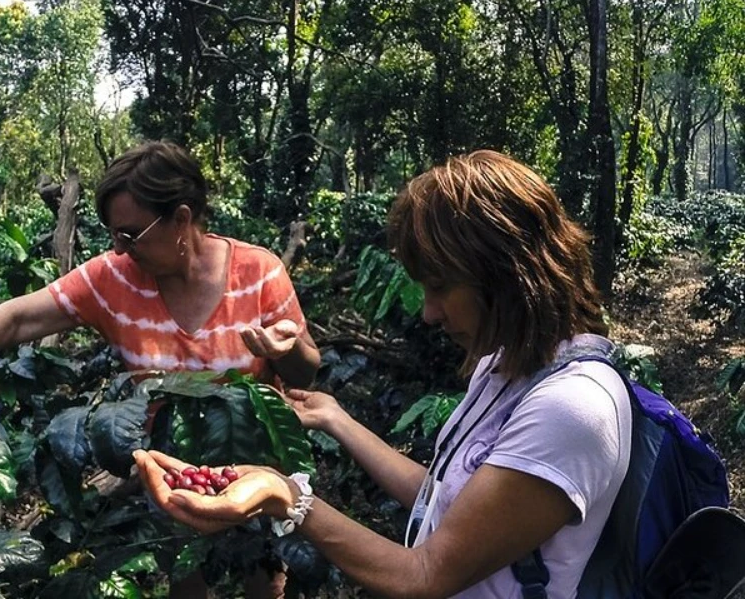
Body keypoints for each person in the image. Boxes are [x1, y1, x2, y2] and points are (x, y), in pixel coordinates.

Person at [135, 150, 634, 598]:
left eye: (439, 288)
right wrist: (338, 419)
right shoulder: (509, 367)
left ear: (507, 277)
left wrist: (287, 497)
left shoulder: (571, 408)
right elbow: (444, 499)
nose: (429, 313)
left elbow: (424, 575)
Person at [0, 140, 321, 599]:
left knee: (263, 589)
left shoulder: (258, 272)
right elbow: (18, 318)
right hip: (173, 482)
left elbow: (305, 372)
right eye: (113, 234)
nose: (119, 248)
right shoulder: (113, 278)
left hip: (259, 481)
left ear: (181, 219)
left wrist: (286, 349)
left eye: (130, 234)